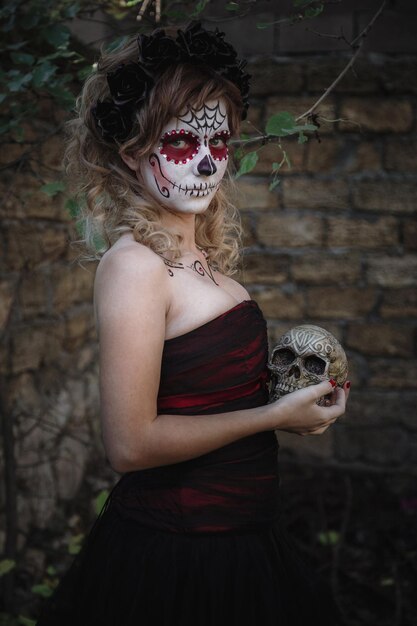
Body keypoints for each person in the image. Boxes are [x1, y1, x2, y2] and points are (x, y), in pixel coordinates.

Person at [36, 21, 350, 626]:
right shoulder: (134, 266)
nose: (206, 162)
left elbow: (204, 396)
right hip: (183, 555)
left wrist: (300, 395)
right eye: (182, 142)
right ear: (132, 153)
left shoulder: (201, 260)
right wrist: (272, 417)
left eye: (220, 142)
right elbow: (130, 445)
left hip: (245, 536)